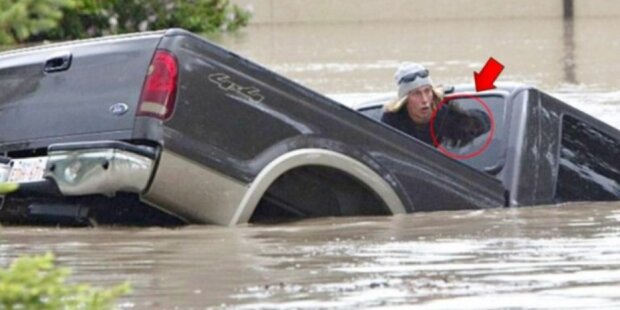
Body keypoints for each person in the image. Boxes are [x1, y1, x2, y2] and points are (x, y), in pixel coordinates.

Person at [380, 62, 490, 148]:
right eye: (416, 94)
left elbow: (484, 123)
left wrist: (464, 120)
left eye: (427, 91)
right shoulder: (391, 123)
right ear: (405, 99)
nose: (424, 100)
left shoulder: (444, 115)